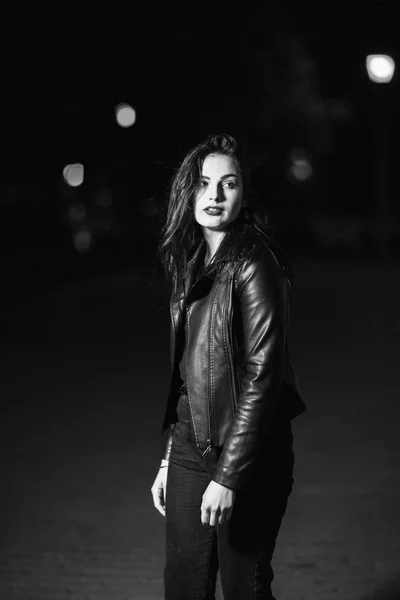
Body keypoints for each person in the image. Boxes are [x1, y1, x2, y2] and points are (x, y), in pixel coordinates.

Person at [151, 133, 306, 599]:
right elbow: (188, 376)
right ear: (187, 192)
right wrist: (169, 458)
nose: (214, 196)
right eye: (202, 183)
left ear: (244, 193)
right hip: (189, 449)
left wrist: (229, 475)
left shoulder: (256, 262)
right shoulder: (192, 261)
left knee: (245, 587)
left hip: (249, 455)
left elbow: (263, 374)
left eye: (228, 183)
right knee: (183, 586)